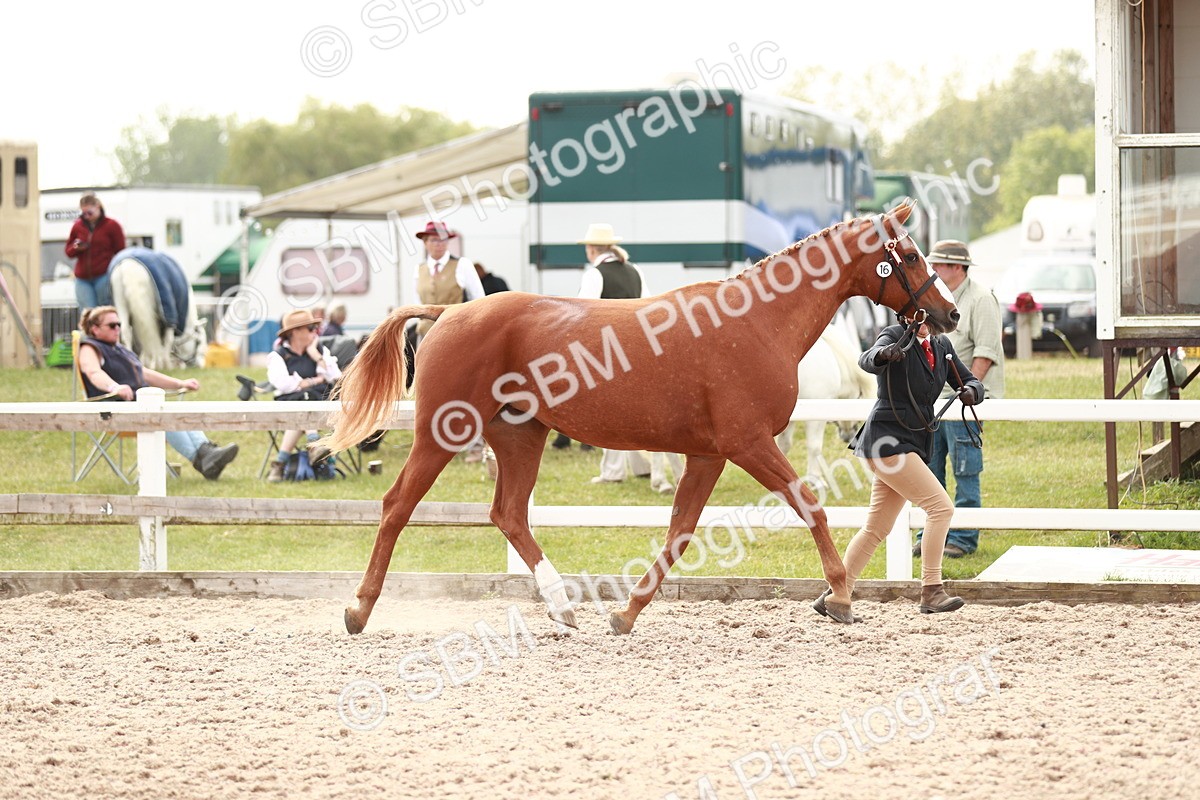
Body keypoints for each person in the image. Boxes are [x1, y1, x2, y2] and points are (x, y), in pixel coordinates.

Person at [811, 314, 986, 622]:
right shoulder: (894, 335)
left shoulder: (942, 345)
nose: (920, 322)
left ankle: (836, 596)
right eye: (913, 316)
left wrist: (972, 391)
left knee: (876, 528)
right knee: (941, 508)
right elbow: (867, 360)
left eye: (924, 316)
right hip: (887, 442)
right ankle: (932, 589)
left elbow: (969, 379)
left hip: (913, 443)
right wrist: (884, 353)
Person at [914, 240, 1005, 558]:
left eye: (937, 265)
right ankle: (932, 535)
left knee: (965, 469)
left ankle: (964, 537)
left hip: (961, 401)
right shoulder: (939, 299)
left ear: (956, 267)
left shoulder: (980, 300)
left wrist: (968, 391)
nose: (932, 270)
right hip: (935, 400)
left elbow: (985, 353)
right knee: (930, 467)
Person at [574, 222, 679, 493]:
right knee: (634, 408)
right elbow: (648, 307)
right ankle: (642, 467)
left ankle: (613, 471)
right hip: (637, 347)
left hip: (607, 349)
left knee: (609, 411)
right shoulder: (635, 271)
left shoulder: (595, 274)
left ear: (591, 249)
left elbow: (582, 312)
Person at [76, 306, 239, 480]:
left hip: (141, 406)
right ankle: (205, 460)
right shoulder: (90, 348)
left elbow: (144, 373)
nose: (117, 329)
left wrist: (179, 383)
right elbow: (93, 373)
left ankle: (207, 453)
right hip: (114, 412)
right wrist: (114, 387)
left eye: (119, 324)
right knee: (161, 417)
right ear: (95, 329)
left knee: (177, 410)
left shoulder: (119, 349)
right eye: (111, 325)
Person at [412, 221, 487, 461]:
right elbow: (418, 303)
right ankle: (434, 441)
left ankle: (475, 442)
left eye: (443, 240)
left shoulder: (462, 265)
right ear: (426, 243)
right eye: (434, 240)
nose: (439, 244)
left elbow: (479, 300)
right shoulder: (420, 269)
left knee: (467, 387)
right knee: (429, 390)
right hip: (427, 333)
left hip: (457, 334)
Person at [266, 308, 343, 482]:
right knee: (304, 400)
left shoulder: (319, 351)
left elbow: (336, 377)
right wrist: (315, 381)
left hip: (318, 405)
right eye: (310, 328)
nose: (314, 332)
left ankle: (279, 464)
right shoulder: (279, 355)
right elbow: (283, 384)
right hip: (290, 403)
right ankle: (314, 444)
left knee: (304, 406)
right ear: (294, 332)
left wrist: (316, 356)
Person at [66, 193, 126, 309]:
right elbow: (68, 251)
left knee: (104, 310)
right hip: (82, 278)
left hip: (103, 275)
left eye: (89, 213)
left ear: (98, 207)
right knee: (88, 312)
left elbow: (121, 252)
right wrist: (76, 248)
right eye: (84, 213)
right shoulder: (77, 226)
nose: (86, 216)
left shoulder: (112, 226)